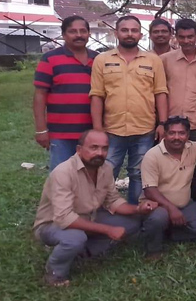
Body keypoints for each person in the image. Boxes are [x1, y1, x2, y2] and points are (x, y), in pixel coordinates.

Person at [33, 130, 157, 286]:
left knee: (132, 223)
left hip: (88, 217)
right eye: (94, 147)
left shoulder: (105, 168)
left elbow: (113, 200)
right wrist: (107, 230)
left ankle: (84, 253)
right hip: (53, 224)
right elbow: (64, 218)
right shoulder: (63, 173)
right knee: (75, 238)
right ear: (79, 150)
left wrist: (139, 209)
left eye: (105, 148)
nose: (100, 153)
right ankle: (54, 273)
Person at [90, 15, 168, 204]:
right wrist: (97, 128)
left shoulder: (153, 60)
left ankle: (135, 212)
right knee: (106, 173)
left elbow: (160, 93)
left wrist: (163, 123)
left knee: (138, 173)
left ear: (140, 35)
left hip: (144, 129)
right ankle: (100, 212)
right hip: (112, 129)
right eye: (125, 30)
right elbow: (97, 95)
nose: (129, 34)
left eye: (134, 30)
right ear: (116, 33)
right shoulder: (102, 60)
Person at [139, 116, 196, 256]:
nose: (176, 137)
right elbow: (149, 190)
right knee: (158, 219)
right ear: (165, 134)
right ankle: (153, 249)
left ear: (188, 135)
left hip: (185, 205)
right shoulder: (152, 155)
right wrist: (171, 209)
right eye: (172, 133)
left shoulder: (193, 148)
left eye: (181, 133)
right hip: (158, 205)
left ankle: (169, 232)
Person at [34, 15, 99, 170]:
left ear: (89, 34)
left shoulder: (98, 60)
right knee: (61, 178)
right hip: (61, 133)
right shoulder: (50, 59)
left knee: (89, 176)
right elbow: (39, 95)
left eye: (83, 31)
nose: (79, 35)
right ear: (64, 35)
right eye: (73, 31)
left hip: (91, 133)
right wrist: (41, 129)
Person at [160, 18, 196, 200]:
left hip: (195, 123)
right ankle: (169, 201)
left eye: (190, 36)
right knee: (167, 163)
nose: (186, 41)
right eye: (182, 37)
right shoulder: (165, 60)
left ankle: (195, 202)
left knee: (195, 165)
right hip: (170, 123)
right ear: (176, 37)